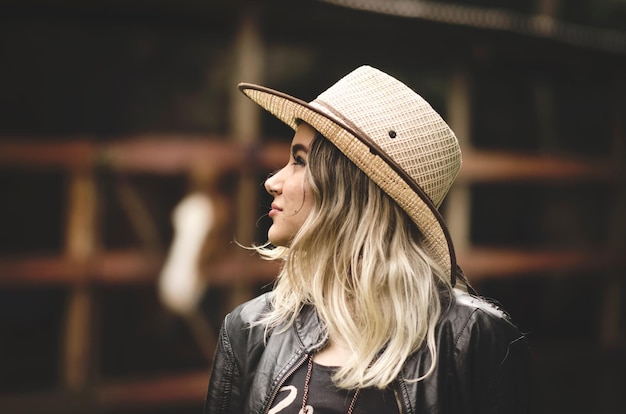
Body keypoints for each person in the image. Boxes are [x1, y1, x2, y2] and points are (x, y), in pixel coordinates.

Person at [203, 66, 531, 413]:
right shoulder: (249, 331)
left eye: (299, 161)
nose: (273, 181)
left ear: (351, 189)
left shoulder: (471, 341)